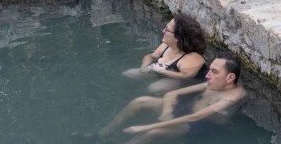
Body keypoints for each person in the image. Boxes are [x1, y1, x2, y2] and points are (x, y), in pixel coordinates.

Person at [103, 53, 246, 143]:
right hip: (187, 110)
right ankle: (105, 132)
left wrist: (144, 127)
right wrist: (167, 113)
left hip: (200, 124)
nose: (207, 75)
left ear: (230, 78)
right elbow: (172, 94)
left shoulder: (232, 97)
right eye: (209, 70)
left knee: (152, 132)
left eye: (214, 72)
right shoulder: (214, 83)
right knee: (140, 101)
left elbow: (195, 117)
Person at [124, 14, 208, 94]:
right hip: (163, 73)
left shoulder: (192, 57)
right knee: (128, 73)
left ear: (177, 38)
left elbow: (186, 76)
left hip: (182, 81)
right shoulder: (166, 46)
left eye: (167, 30)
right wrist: (144, 67)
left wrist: (163, 71)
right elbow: (151, 56)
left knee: (154, 88)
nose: (163, 31)